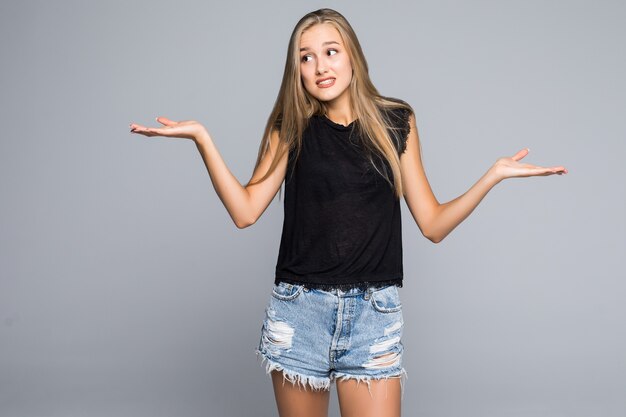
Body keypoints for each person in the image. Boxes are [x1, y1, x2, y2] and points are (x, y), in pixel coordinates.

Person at [129, 8, 567, 417]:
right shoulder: (290, 127)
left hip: (374, 315)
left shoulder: (398, 122)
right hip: (300, 311)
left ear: (352, 56)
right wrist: (203, 138)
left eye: (330, 52)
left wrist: (492, 176)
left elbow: (432, 224)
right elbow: (245, 212)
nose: (320, 67)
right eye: (306, 57)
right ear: (296, 69)